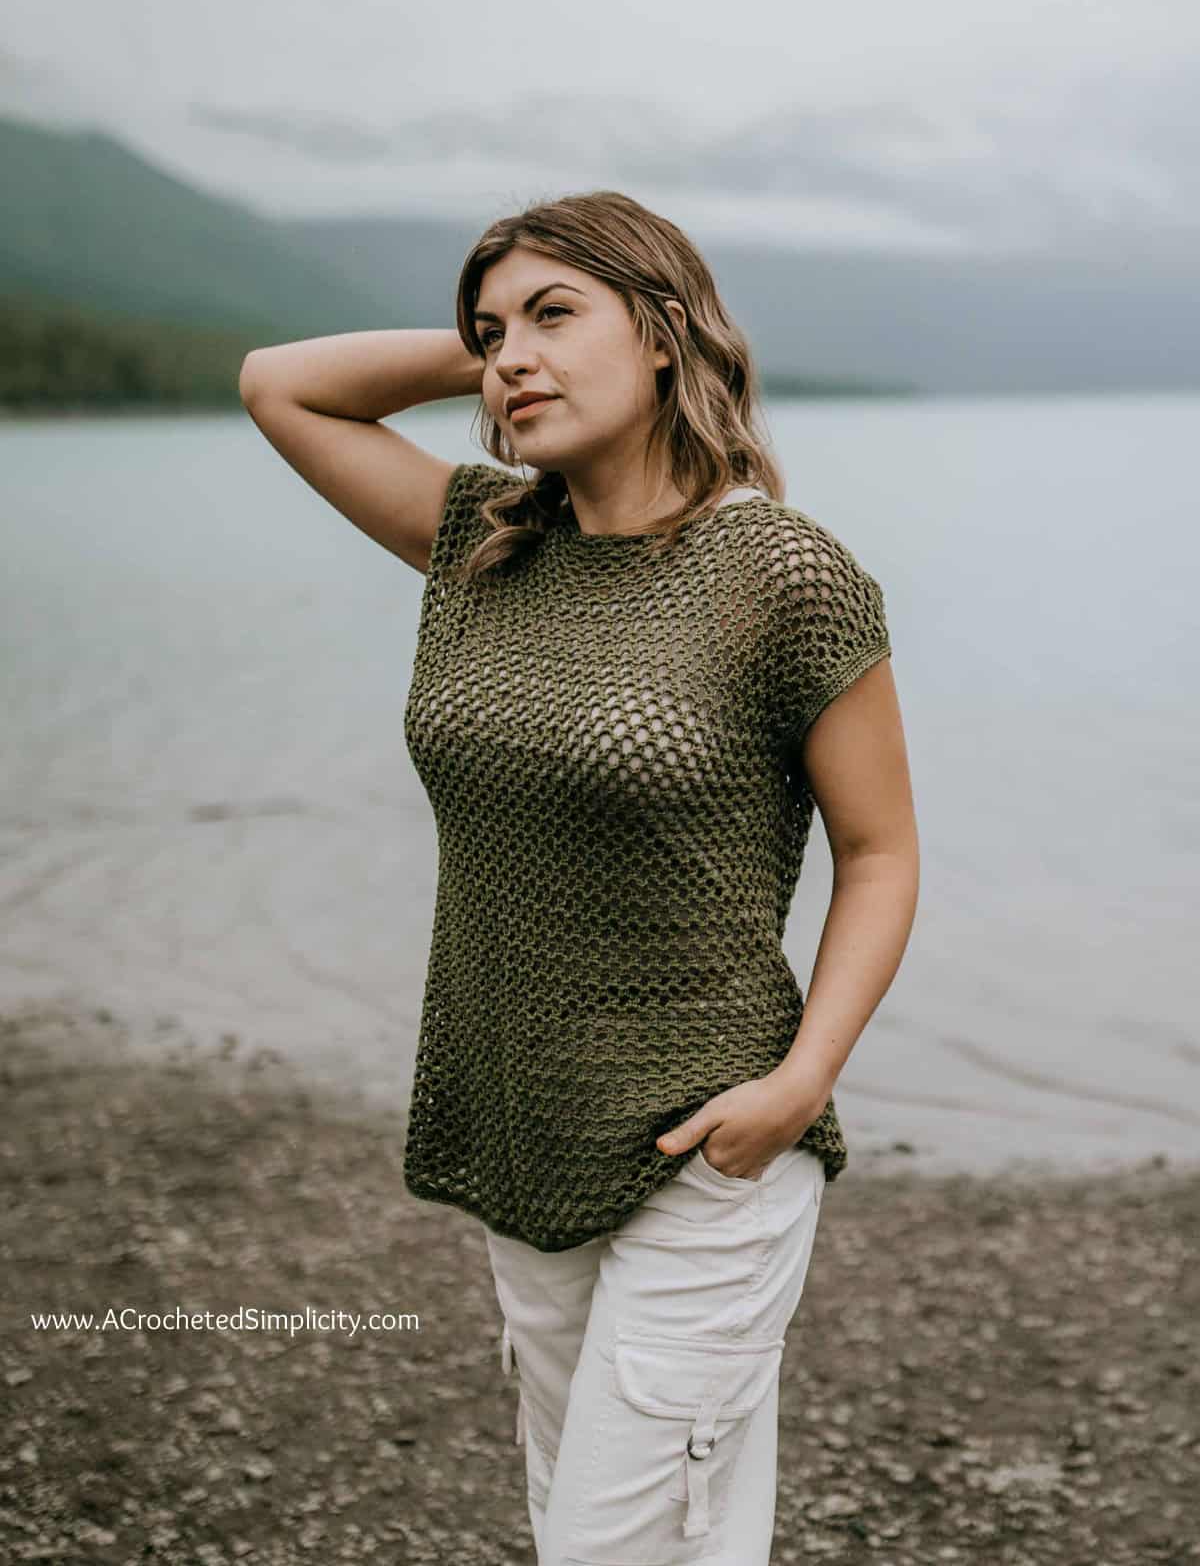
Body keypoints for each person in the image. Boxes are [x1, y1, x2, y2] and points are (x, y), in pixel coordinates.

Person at [239, 188, 920, 1564]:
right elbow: (281, 387)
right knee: (630, 1524)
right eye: (491, 333)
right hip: (521, 1125)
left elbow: (880, 852)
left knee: (612, 1542)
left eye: (557, 316)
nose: (510, 360)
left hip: (708, 1142)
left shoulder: (781, 574)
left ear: (666, 333)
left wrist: (799, 1086)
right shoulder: (487, 540)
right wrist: (491, 355)